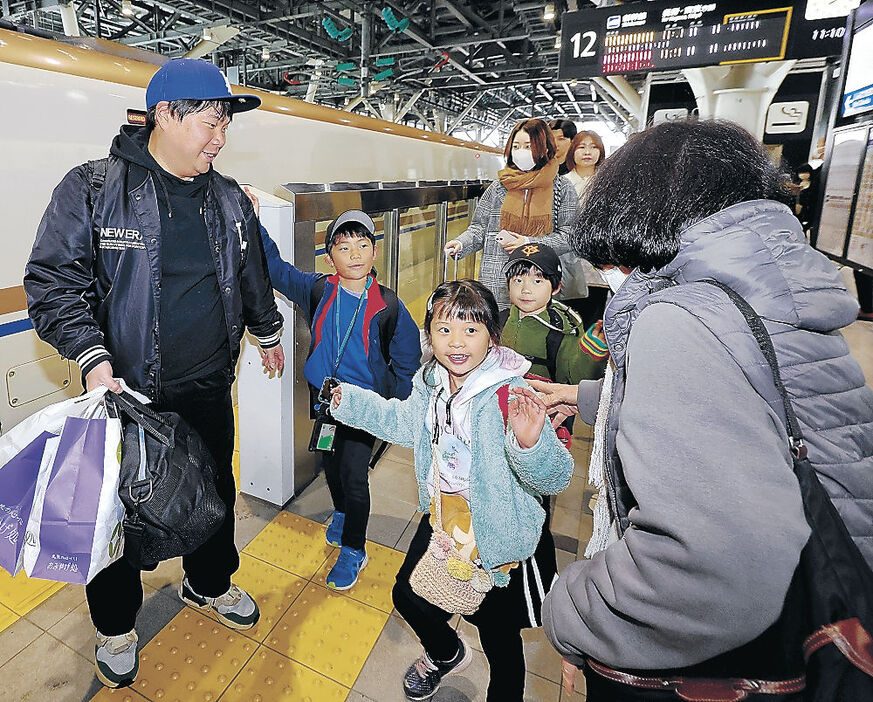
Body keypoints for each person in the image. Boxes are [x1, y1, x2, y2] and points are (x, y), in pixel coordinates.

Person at [533, 119, 873, 701]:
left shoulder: (682, 317)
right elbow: (755, 408)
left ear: (645, 204)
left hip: (728, 654)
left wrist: (570, 611)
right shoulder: (765, 286)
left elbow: (712, 570)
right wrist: (589, 397)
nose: (613, 270)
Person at [24, 58, 285, 688]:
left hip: (205, 387)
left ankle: (209, 583)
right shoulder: (93, 188)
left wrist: (267, 328)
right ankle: (116, 625)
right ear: (163, 115)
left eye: (226, 122)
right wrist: (92, 357)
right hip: (123, 393)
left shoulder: (228, 200)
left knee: (211, 493)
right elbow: (54, 282)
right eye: (209, 118)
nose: (219, 135)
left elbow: (249, 275)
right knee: (113, 516)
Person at [329, 279, 573, 701]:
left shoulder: (509, 393)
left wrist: (530, 445)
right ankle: (445, 653)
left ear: (492, 336)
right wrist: (345, 402)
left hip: (497, 539)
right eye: (444, 329)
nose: (456, 343)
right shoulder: (433, 381)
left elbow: (555, 478)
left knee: (500, 644)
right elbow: (405, 423)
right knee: (408, 594)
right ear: (429, 334)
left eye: (471, 330)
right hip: (446, 520)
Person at [256, 207, 421, 590]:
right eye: (345, 247)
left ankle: (354, 549)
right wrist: (253, 220)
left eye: (364, 245)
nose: (356, 254)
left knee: (354, 474)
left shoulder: (388, 305)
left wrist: (392, 410)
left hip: (365, 407)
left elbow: (407, 359)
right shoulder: (318, 289)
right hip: (326, 400)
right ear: (330, 257)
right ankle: (343, 513)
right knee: (330, 463)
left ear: (375, 252)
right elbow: (276, 268)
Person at [444, 118, 576, 310]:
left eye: (528, 146)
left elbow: (569, 236)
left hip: (535, 285)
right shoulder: (499, 186)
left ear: (544, 148)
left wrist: (528, 243)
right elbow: (479, 228)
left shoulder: (562, 188)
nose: (521, 152)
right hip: (495, 284)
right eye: (516, 146)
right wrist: (461, 243)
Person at [499, 242, 607, 405]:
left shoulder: (562, 329)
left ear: (556, 287)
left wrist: (590, 356)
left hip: (547, 409)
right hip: (502, 404)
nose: (525, 289)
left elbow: (575, 379)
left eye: (537, 281)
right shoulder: (501, 319)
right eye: (518, 280)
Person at [560, 130, 610, 327]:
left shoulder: (608, 182)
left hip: (597, 260)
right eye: (581, 147)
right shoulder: (562, 183)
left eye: (593, 147)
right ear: (572, 152)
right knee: (568, 313)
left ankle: (591, 354)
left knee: (594, 315)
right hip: (567, 258)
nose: (587, 152)